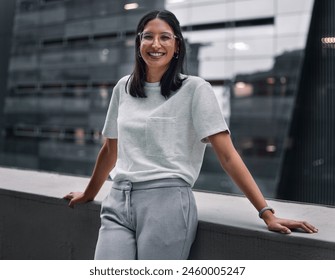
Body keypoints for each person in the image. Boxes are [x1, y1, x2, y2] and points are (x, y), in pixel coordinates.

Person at [64, 10, 318, 260]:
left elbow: (228, 156)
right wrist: (89, 194)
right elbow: (110, 149)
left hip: (166, 205)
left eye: (165, 37)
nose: (155, 44)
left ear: (177, 47)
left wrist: (267, 213)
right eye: (148, 36)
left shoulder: (195, 89)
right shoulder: (124, 87)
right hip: (118, 200)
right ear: (139, 43)